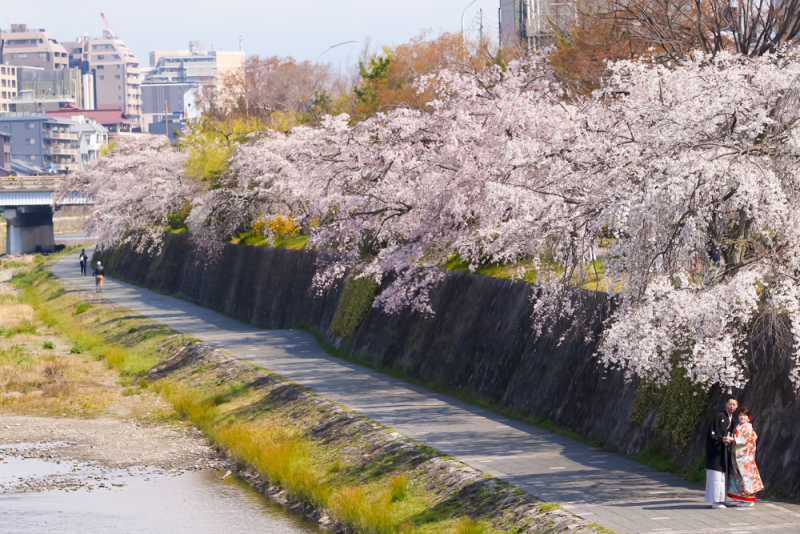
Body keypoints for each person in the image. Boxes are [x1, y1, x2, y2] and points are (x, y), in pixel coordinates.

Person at [706, 395, 738, 508]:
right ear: (726, 404)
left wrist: (728, 441)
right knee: (716, 475)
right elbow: (712, 432)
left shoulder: (732, 420)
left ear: (736, 406)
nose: (732, 406)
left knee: (724, 475)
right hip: (715, 451)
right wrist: (720, 438)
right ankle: (715, 501)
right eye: (730, 404)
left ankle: (723, 499)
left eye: (734, 405)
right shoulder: (720, 416)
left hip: (724, 450)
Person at [726, 409, 764, 506]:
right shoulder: (738, 426)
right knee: (738, 477)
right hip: (737, 456)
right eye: (740, 415)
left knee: (745, 477)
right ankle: (742, 498)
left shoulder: (748, 428)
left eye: (744, 415)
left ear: (748, 417)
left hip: (745, 458)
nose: (742, 417)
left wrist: (734, 439)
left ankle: (749, 499)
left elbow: (745, 440)